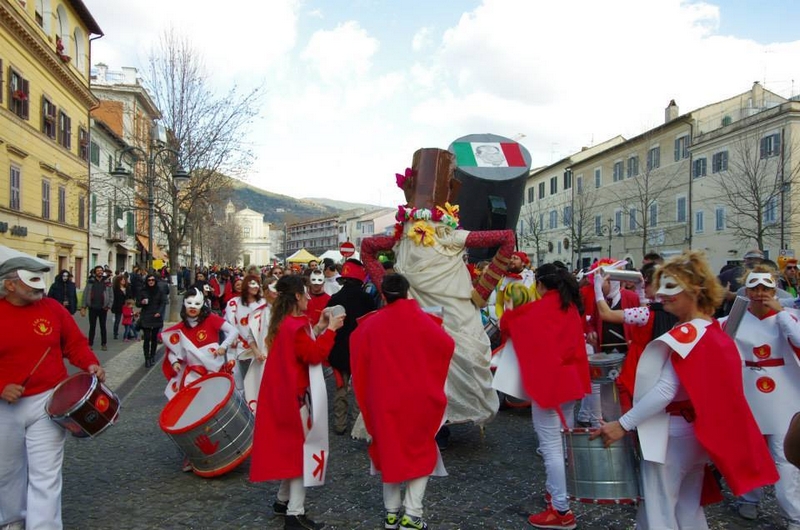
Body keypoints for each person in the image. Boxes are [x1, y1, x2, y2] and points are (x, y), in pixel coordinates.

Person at [592, 250, 778, 529]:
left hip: (671, 434)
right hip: (692, 434)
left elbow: (666, 389)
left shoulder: (689, 333)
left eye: (671, 287)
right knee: (688, 509)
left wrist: (623, 424)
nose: (662, 295)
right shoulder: (712, 328)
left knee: (658, 510)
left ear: (693, 290)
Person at [0, 256, 106, 530]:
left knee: (46, 473)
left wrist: (89, 362)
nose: (39, 287)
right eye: (31, 279)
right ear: (10, 284)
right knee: (6, 471)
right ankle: (11, 520)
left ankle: (43, 526)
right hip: (6, 407)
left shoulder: (53, 308)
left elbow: (74, 344)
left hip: (50, 401)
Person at [350, 274, 454, 530]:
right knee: (421, 453)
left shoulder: (373, 323)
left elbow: (356, 347)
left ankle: (391, 513)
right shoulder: (422, 319)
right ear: (408, 292)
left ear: (383, 295)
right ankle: (413, 514)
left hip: (383, 397)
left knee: (389, 451)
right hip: (417, 398)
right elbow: (446, 345)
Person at [250, 275, 344, 530]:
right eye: (305, 294)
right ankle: (295, 513)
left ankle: (283, 500)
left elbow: (300, 345)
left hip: (279, 395)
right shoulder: (295, 325)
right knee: (302, 454)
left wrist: (320, 328)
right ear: (298, 297)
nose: (309, 298)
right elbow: (314, 354)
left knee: (291, 451)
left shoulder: (284, 323)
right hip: (293, 399)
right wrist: (332, 330)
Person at [500, 262, 589, 529]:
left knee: (551, 448)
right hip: (571, 383)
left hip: (550, 386)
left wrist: (513, 304)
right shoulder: (570, 306)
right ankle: (556, 493)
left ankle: (561, 510)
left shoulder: (538, 308)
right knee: (561, 445)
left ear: (540, 284)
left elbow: (507, 323)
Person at [720, 265, 800, 528]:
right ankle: (748, 498)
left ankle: (793, 514)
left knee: (784, 456)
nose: (760, 294)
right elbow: (720, 345)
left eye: (765, 288)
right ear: (747, 289)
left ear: (774, 289)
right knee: (748, 448)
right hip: (747, 389)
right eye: (755, 288)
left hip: (783, 393)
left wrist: (781, 315)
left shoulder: (789, 316)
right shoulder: (735, 316)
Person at [593, 262, 679, 413]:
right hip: (658, 367)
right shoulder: (673, 312)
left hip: (638, 367)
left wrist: (597, 290)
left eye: (647, 283)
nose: (644, 286)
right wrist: (640, 292)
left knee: (632, 415)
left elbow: (606, 314)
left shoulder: (646, 314)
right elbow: (648, 306)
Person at [326, 259, 376, 435]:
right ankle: (357, 424)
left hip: (339, 350)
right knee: (359, 389)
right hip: (361, 349)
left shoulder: (334, 299)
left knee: (341, 388)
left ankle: (339, 424)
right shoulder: (368, 299)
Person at [161, 288, 239, 400]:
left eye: (197, 304)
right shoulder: (180, 329)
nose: (193, 307)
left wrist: (223, 346)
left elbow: (234, 331)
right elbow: (173, 350)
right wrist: (174, 362)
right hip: (194, 374)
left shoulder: (211, 319)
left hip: (214, 369)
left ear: (202, 305)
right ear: (184, 304)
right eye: (189, 303)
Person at [224, 275, 268, 391]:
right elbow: (228, 324)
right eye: (252, 283)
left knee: (259, 382)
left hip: (260, 349)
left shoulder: (264, 303)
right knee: (240, 382)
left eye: (257, 284)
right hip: (239, 349)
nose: (255, 287)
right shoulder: (233, 303)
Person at [80, 265, 113, 351]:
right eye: (98, 270)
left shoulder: (107, 281)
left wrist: (108, 306)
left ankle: (104, 344)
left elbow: (111, 295)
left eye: (101, 270)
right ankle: (90, 344)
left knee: (103, 327)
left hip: (103, 308)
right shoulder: (90, 281)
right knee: (92, 327)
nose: (100, 272)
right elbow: (85, 294)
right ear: (95, 272)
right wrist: (83, 307)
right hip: (92, 308)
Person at [137, 274, 165, 368]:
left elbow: (163, 302)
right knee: (147, 338)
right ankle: (147, 358)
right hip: (146, 316)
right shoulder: (143, 291)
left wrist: (159, 312)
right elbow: (137, 303)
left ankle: (153, 355)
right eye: (149, 280)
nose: (151, 281)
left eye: (152, 280)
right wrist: (142, 302)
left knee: (154, 338)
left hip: (156, 316)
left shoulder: (159, 291)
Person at [111, 274, 132, 340]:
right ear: (118, 281)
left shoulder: (127, 288)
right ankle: (115, 333)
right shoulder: (115, 289)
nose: (123, 281)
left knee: (129, 320)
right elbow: (114, 299)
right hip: (118, 306)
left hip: (126, 306)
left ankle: (128, 334)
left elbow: (129, 296)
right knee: (117, 320)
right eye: (122, 280)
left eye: (124, 280)